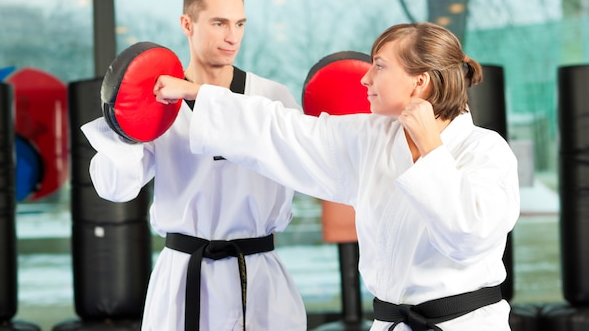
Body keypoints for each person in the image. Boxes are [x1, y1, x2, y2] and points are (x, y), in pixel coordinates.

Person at [153, 22, 521, 331]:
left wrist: (430, 147)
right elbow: (283, 130)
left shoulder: (485, 151)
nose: (365, 77)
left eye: (379, 66)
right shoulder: (373, 138)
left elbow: (467, 237)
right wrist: (198, 92)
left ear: (420, 81)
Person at [81, 0, 307, 331]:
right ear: (187, 24)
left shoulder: (271, 96)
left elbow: (308, 166)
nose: (233, 37)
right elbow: (114, 189)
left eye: (239, 24)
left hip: (259, 274)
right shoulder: (158, 103)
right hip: (184, 274)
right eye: (219, 23)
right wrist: (127, 125)